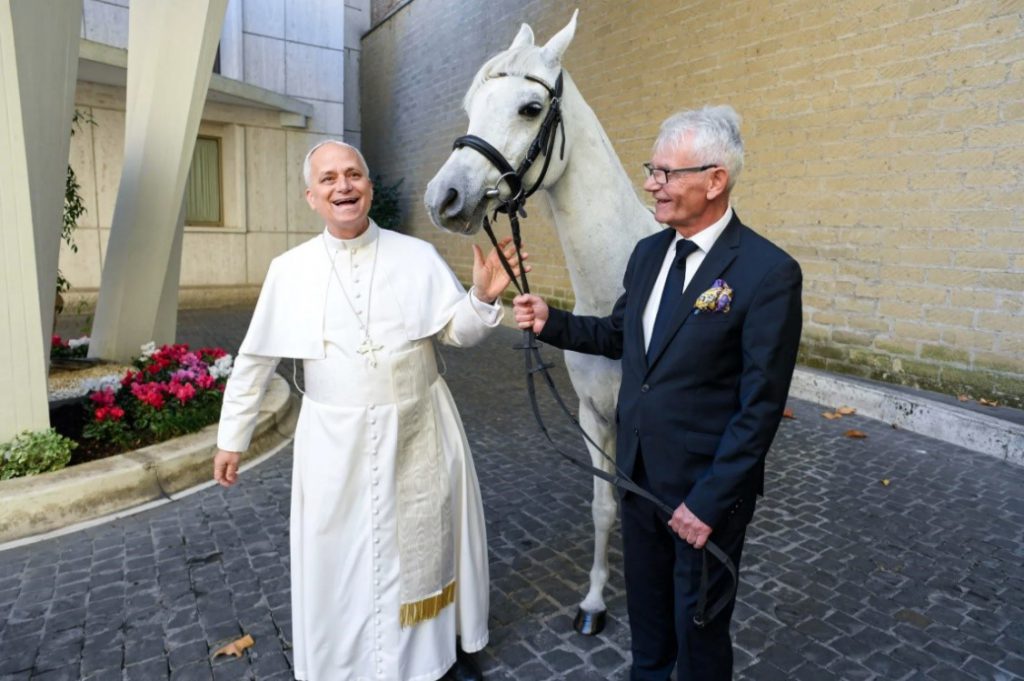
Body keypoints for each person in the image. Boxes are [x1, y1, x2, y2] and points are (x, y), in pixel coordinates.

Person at [214, 140, 526, 681]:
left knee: (424, 548)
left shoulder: (416, 256)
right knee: (341, 556)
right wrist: (231, 438)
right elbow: (256, 360)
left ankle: (433, 658)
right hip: (333, 442)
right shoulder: (290, 270)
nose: (344, 186)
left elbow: (456, 332)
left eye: (353, 174)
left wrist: (480, 299)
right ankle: (346, 664)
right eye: (329, 179)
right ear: (311, 197)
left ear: (369, 187)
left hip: (419, 426)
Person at [513, 106, 802, 680]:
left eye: (667, 173)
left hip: (702, 497)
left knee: (699, 641)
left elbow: (760, 408)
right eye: (652, 170)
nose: (652, 184)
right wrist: (552, 321)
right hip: (638, 478)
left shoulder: (768, 273)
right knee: (648, 636)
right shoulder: (648, 254)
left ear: (715, 180)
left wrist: (710, 503)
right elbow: (621, 335)